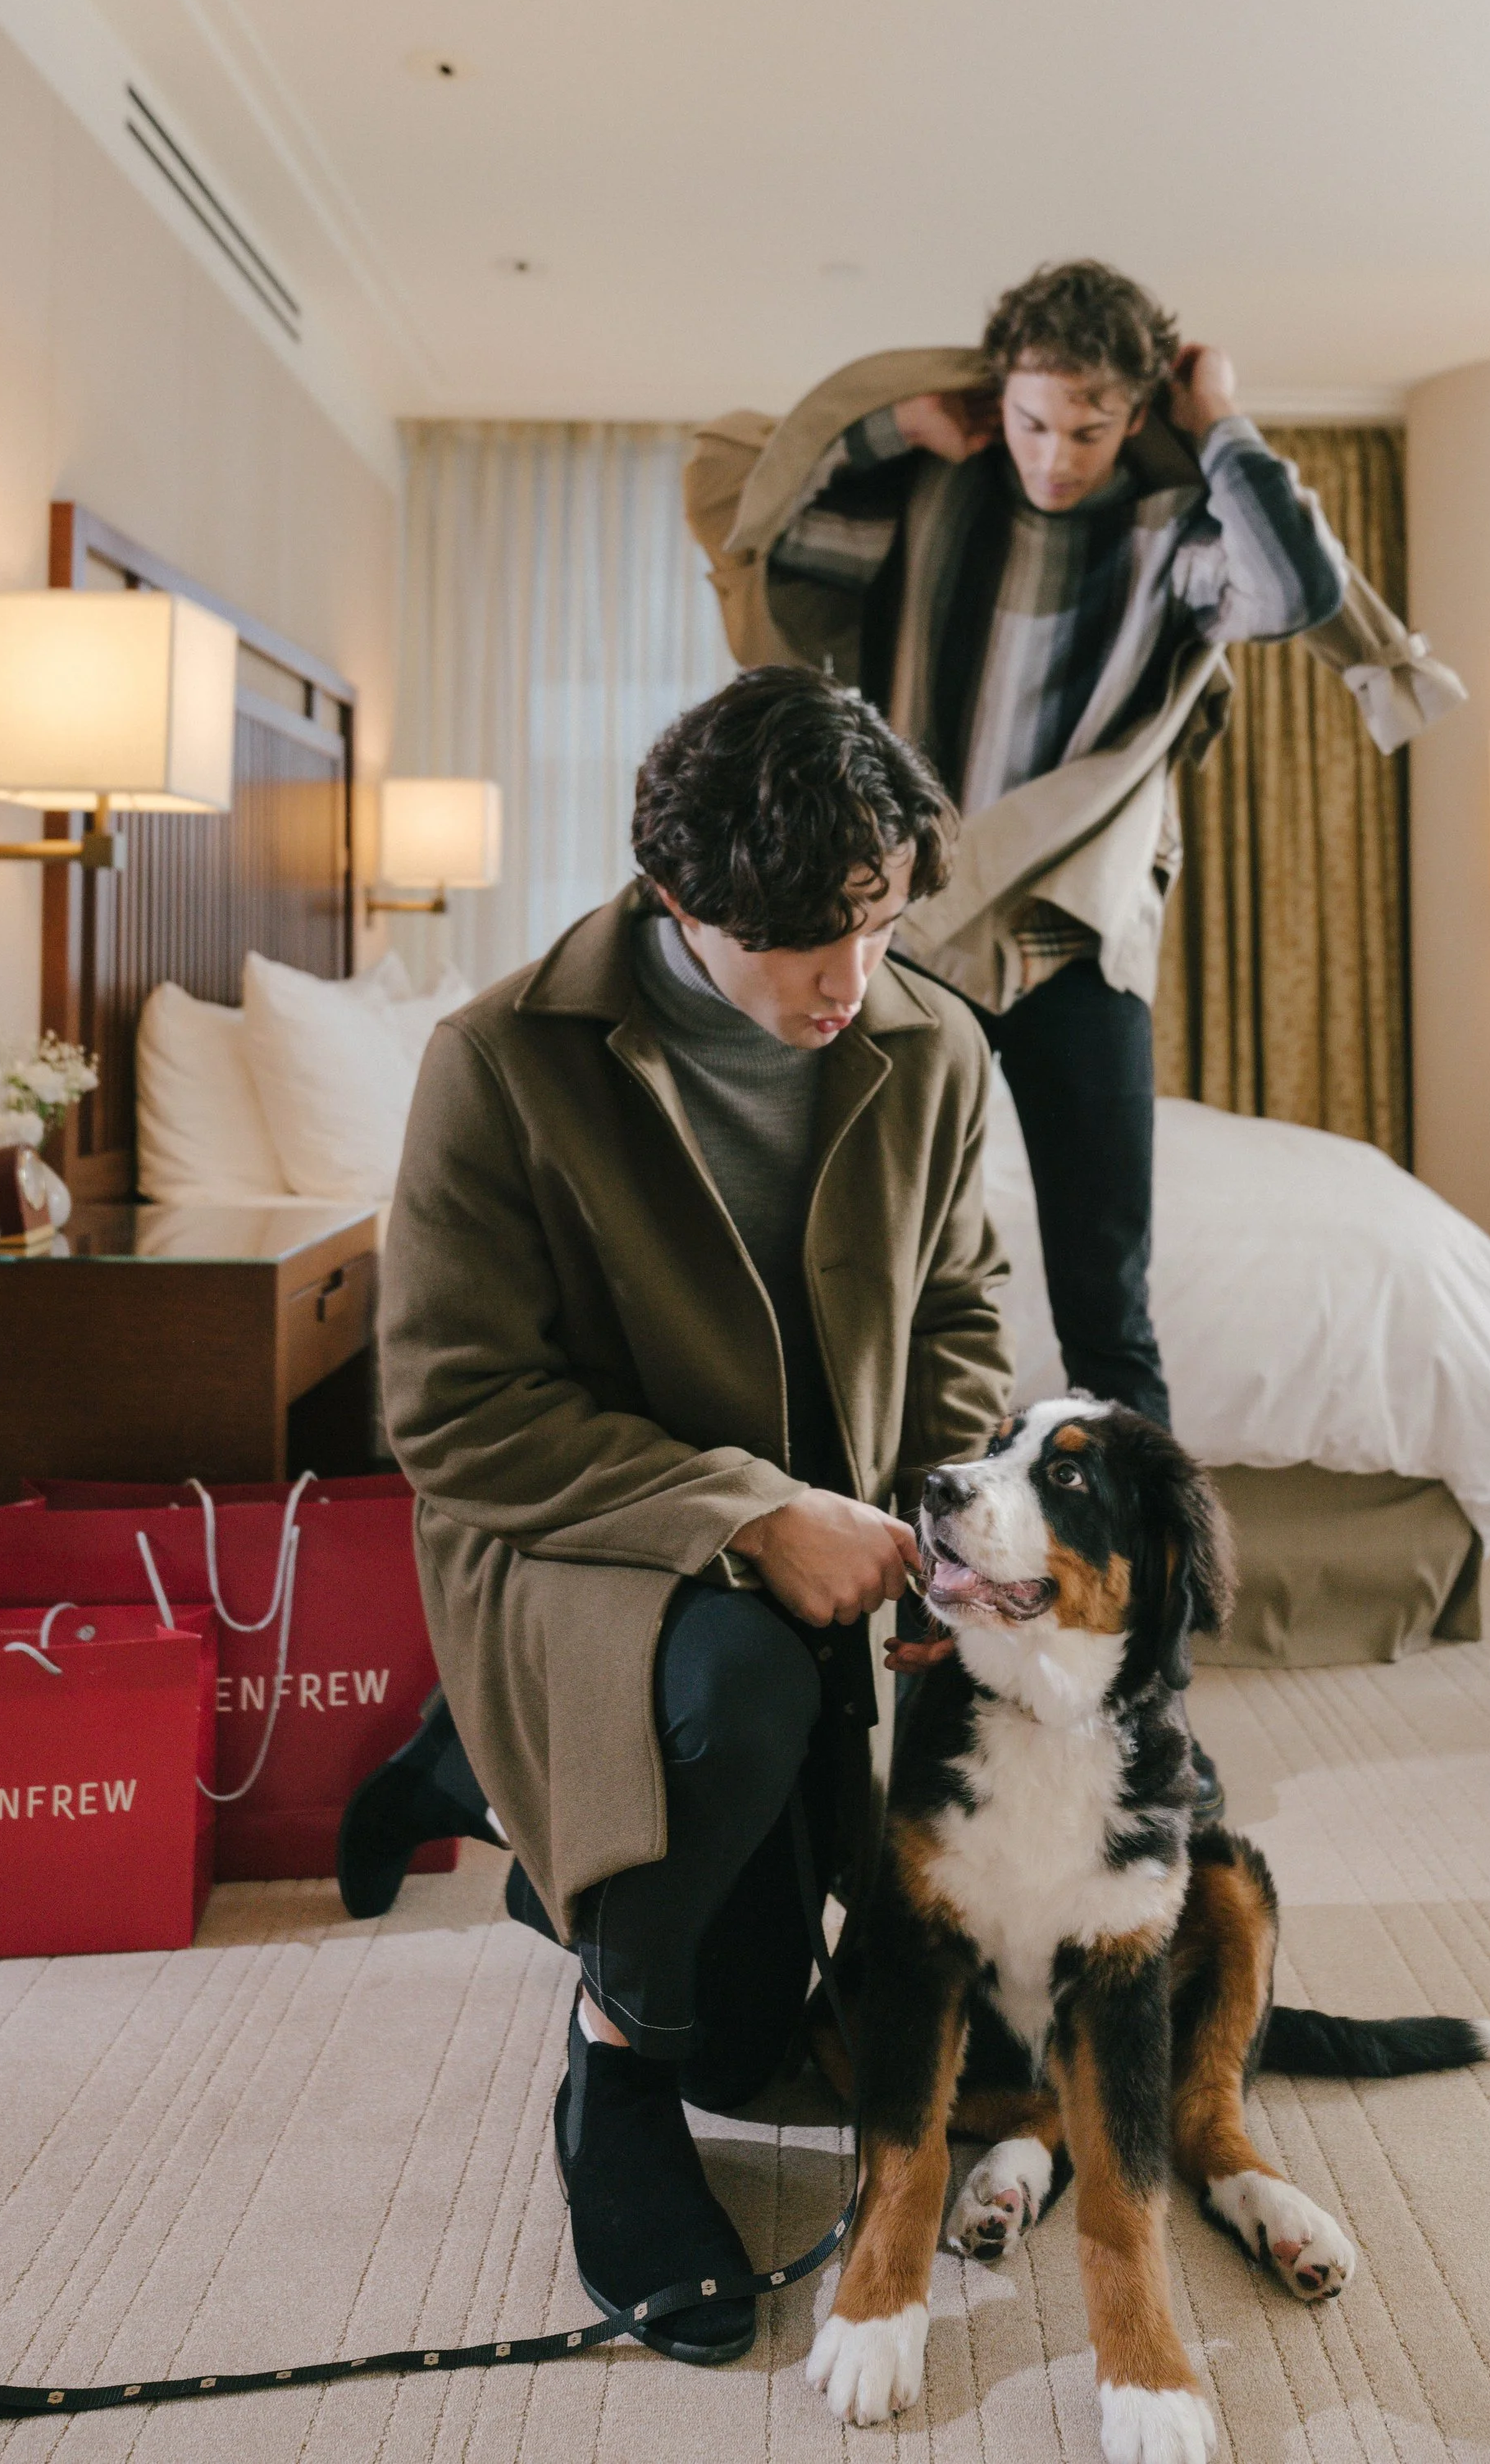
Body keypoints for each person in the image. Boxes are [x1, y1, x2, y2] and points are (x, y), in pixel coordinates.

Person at [357, 665, 1013, 2366]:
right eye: (799, 941)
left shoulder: (932, 1044)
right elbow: (454, 1412)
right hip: (579, 1536)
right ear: (672, 894)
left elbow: (959, 1309)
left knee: (768, 2039)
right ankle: (612, 2078)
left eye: (877, 921)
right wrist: (748, 1514)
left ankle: (476, 1774)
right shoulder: (499, 1062)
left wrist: (942, 1543)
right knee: (738, 1712)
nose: (847, 981)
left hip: (825, 1546)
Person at [687, 257, 1464, 1425]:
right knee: (869, 1259)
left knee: (1109, 1299)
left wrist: (1221, 418)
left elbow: (1301, 590)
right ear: (998, 400)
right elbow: (776, 549)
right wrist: (900, 427)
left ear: (1137, 417)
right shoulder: (926, 502)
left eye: (1090, 430)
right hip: (915, 934)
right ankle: (869, 1509)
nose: (1056, 456)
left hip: (1076, 938)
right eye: (1033, 422)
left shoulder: (1174, 536)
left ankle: (1134, 1541)